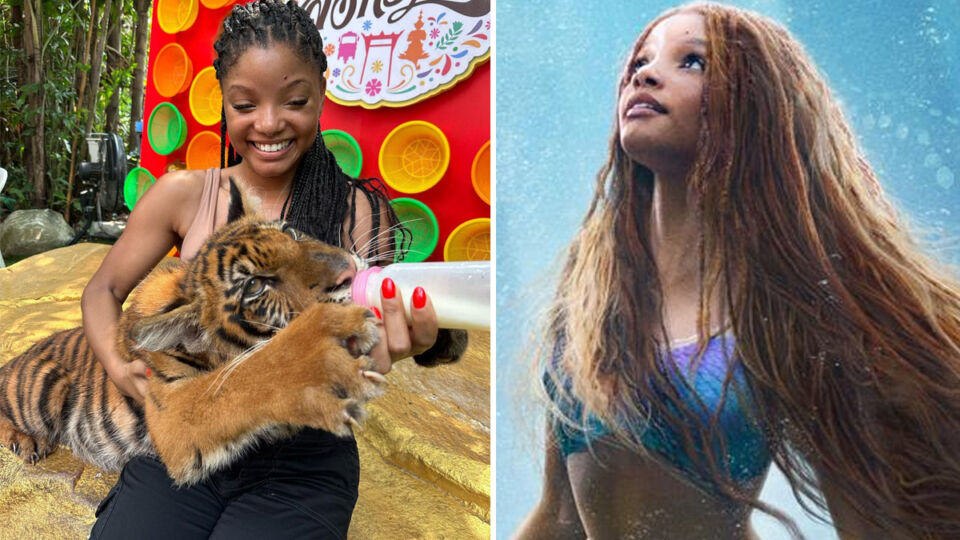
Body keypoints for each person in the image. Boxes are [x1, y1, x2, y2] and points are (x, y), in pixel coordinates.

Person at [516, 3, 960, 539]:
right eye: (641, 60)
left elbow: (869, 524)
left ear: (752, 106)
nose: (645, 73)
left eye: (694, 63)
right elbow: (559, 517)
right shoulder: (588, 297)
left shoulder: (786, 311)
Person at [81, 1, 441, 538]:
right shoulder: (187, 194)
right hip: (196, 426)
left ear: (322, 89)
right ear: (223, 101)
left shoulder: (358, 212)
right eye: (245, 104)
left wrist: (398, 344)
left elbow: (369, 346)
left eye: (293, 100)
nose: (269, 123)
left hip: (303, 453)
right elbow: (103, 289)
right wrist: (116, 362)